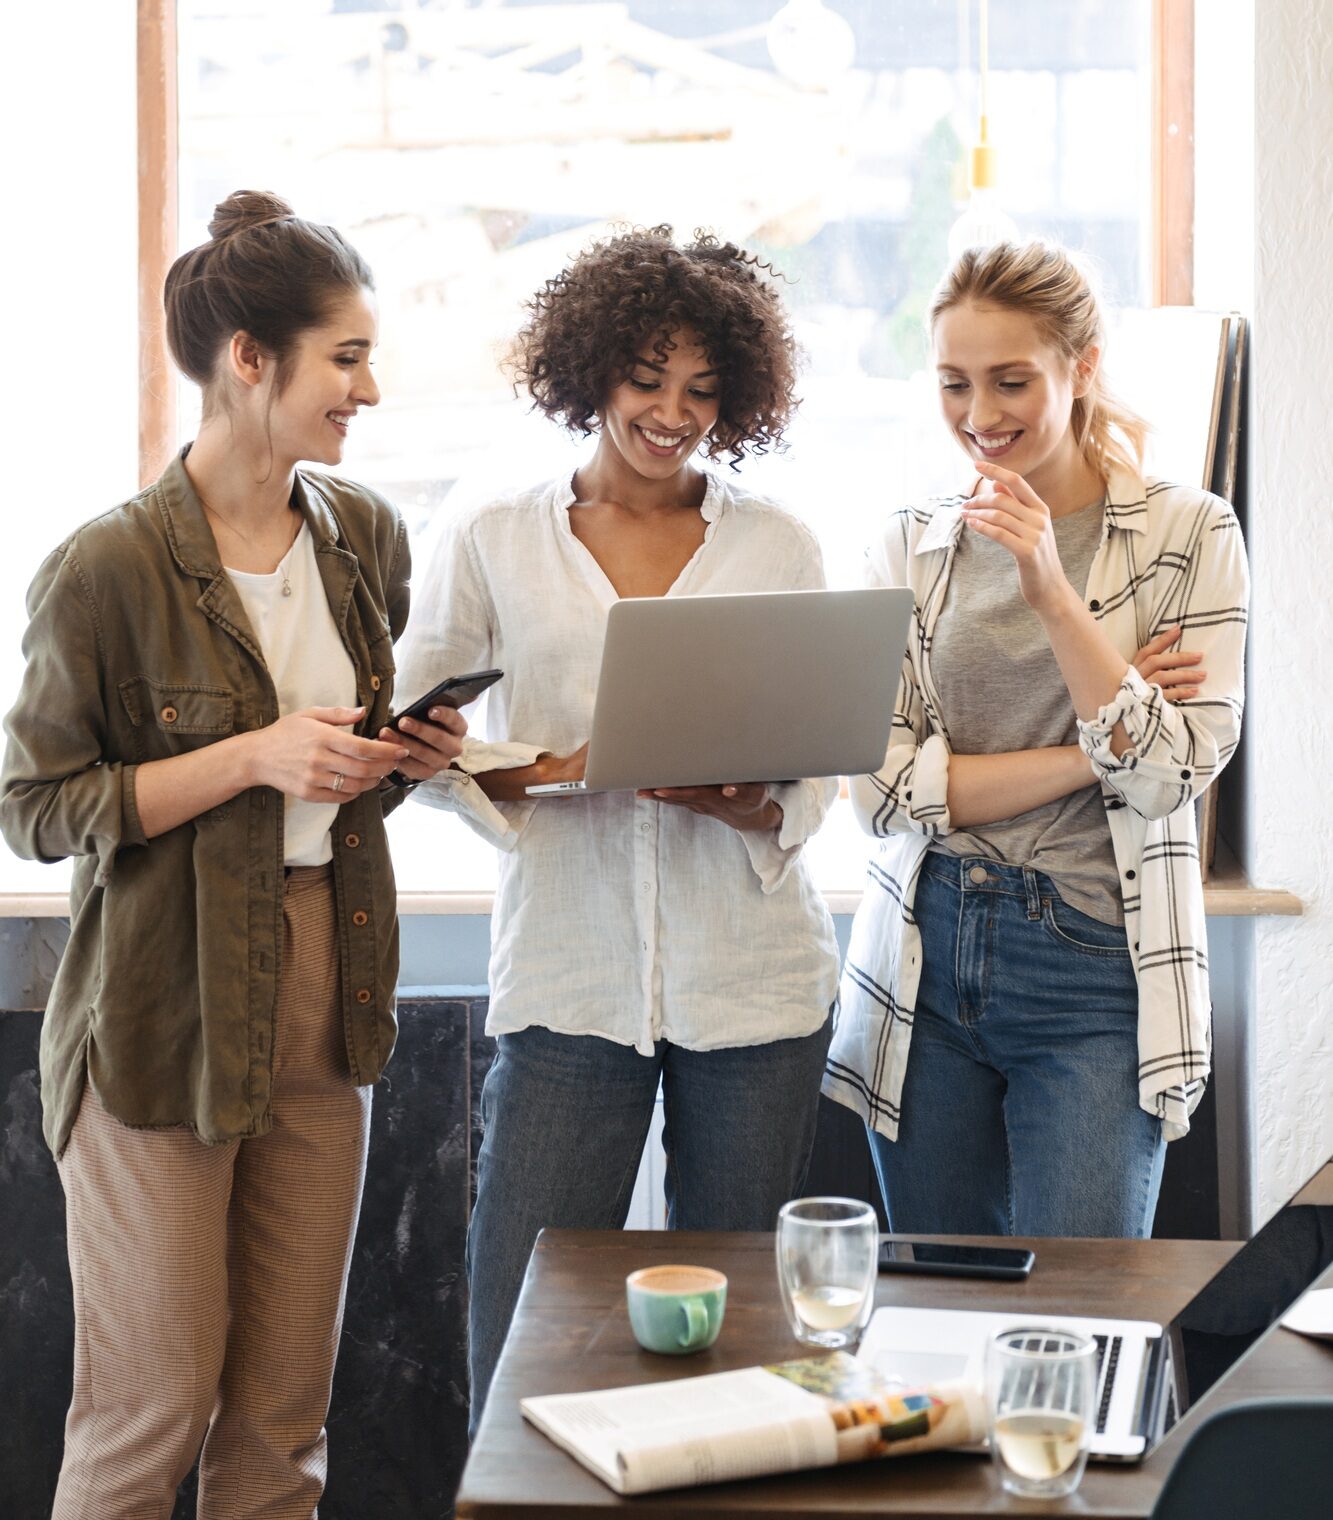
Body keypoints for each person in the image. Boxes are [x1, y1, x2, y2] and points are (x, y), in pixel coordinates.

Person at [0, 190, 465, 1518]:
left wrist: (406, 762)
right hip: (158, 1008)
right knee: (146, 1416)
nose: (367, 390)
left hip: (330, 988)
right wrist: (253, 757)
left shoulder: (364, 537)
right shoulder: (104, 570)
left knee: (281, 1425)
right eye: (348, 358)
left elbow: (337, 782)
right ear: (248, 361)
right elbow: (36, 805)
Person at [396, 225, 841, 1428]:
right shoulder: (491, 534)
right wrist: (548, 768)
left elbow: (823, 764)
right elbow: (414, 738)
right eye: (647, 379)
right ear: (590, 370)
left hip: (753, 985)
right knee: (528, 1314)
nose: (671, 411)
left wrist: (753, 798)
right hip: (568, 976)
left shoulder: (778, 543)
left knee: (741, 1325)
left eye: (701, 389)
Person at [824, 239, 1249, 1239]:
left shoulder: (1189, 534)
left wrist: (1052, 591)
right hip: (925, 951)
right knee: (944, 1305)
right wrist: (1096, 736)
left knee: (1086, 1313)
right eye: (954, 384)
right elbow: (879, 794)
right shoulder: (908, 542)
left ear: (1082, 366)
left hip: (1094, 961)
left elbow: (1172, 773)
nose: (980, 416)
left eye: (1011, 380)